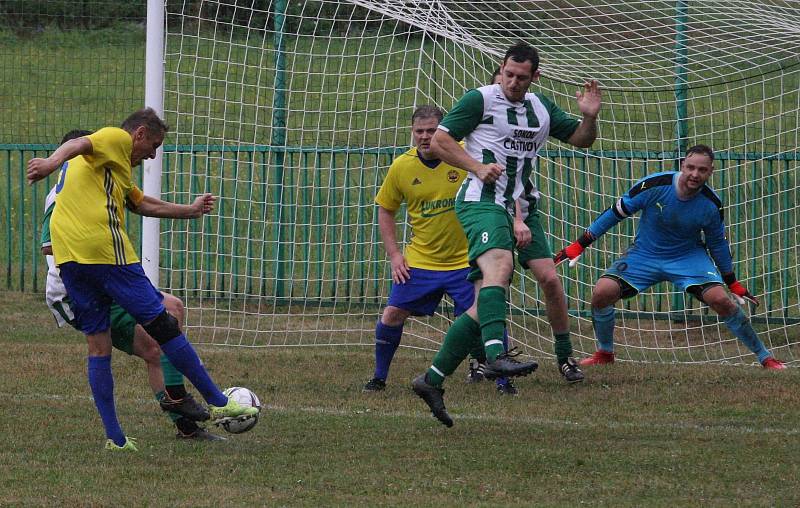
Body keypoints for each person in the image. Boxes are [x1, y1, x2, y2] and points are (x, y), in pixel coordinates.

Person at [27, 109, 258, 451]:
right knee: (160, 333)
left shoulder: (108, 172)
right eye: (153, 145)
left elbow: (139, 203)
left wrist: (190, 210)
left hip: (82, 268)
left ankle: (120, 438)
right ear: (138, 134)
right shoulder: (113, 142)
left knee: (164, 316)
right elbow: (78, 143)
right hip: (93, 267)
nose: (152, 154)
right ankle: (214, 402)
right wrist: (50, 162)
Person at [411, 41, 602, 426]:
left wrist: (589, 117)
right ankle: (495, 355)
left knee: (538, 282)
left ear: (535, 76)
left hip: (524, 207)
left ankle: (431, 380)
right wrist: (477, 168)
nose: (512, 82)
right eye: (508, 74)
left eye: (521, 77)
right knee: (499, 267)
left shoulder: (541, 107)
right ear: (501, 70)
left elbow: (582, 140)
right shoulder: (480, 99)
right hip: (481, 202)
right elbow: (443, 140)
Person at [553, 144, 785, 370]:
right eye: (691, 167)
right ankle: (605, 353)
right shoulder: (654, 184)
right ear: (682, 165)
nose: (695, 174)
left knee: (722, 300)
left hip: (687, 257)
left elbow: (717, 243)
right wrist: (580, 244)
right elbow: (615, 213)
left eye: (702, 170)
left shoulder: (711, 205)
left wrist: (731, 280)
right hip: (644, 254)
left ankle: (765, 357)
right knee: (602, 292)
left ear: (711, 171)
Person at [363, 106, 516, 395]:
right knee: (392, 314)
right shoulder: (401, 166)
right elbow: (386, 210)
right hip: (422, 260)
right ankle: (379, 377)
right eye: (419, 131)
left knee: (485, 313)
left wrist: (516, 221)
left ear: (443, 131)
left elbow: (504, 187)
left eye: (432, 131)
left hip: (465, 260)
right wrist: (396, 255)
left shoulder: (464, 156)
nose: (424, 137)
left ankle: (503, 381)